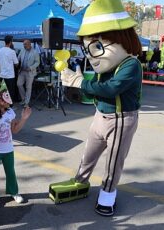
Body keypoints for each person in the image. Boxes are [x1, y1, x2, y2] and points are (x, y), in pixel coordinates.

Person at [60, 0, 142, 216]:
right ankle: (79, 181)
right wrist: (77, 82)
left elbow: (111, 89)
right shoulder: (104, 68)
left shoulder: (131, 64)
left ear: (122, 39)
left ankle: (107, 194)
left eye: (97, 47)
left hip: (121, 119)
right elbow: (92, 92)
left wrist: (80, 82)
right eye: (88, 49)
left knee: (114, 161)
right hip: (100, 116)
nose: (91, 55)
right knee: (89, 154)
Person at [0, 82, 32, 208]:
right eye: (4, 97)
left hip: (8, 148)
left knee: (10, 172)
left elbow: (14, 130)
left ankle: (14, 192)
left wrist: (24, 118)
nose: (7, 100)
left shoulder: (10, 112)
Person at [17, 40, 40, 107]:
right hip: (22, 71)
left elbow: (37, 62)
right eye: (23, 44)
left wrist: (30, 68)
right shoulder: (22, 50)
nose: (24, 46)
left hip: (30, 72)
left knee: (28, 87)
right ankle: (23, 99)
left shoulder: (35, 52)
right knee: (19, 84)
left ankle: (26, 102)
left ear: (30, 44)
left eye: (25, 44)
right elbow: (18, 58)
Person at [0, 36, 19, 103]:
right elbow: (16, 64)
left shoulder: (0, 50)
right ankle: (10, 106)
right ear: (11, 42)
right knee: (10, 91)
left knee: (3, 91)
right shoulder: (12, 52)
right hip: (10, 75)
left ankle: (3, 104)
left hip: (2, 75)